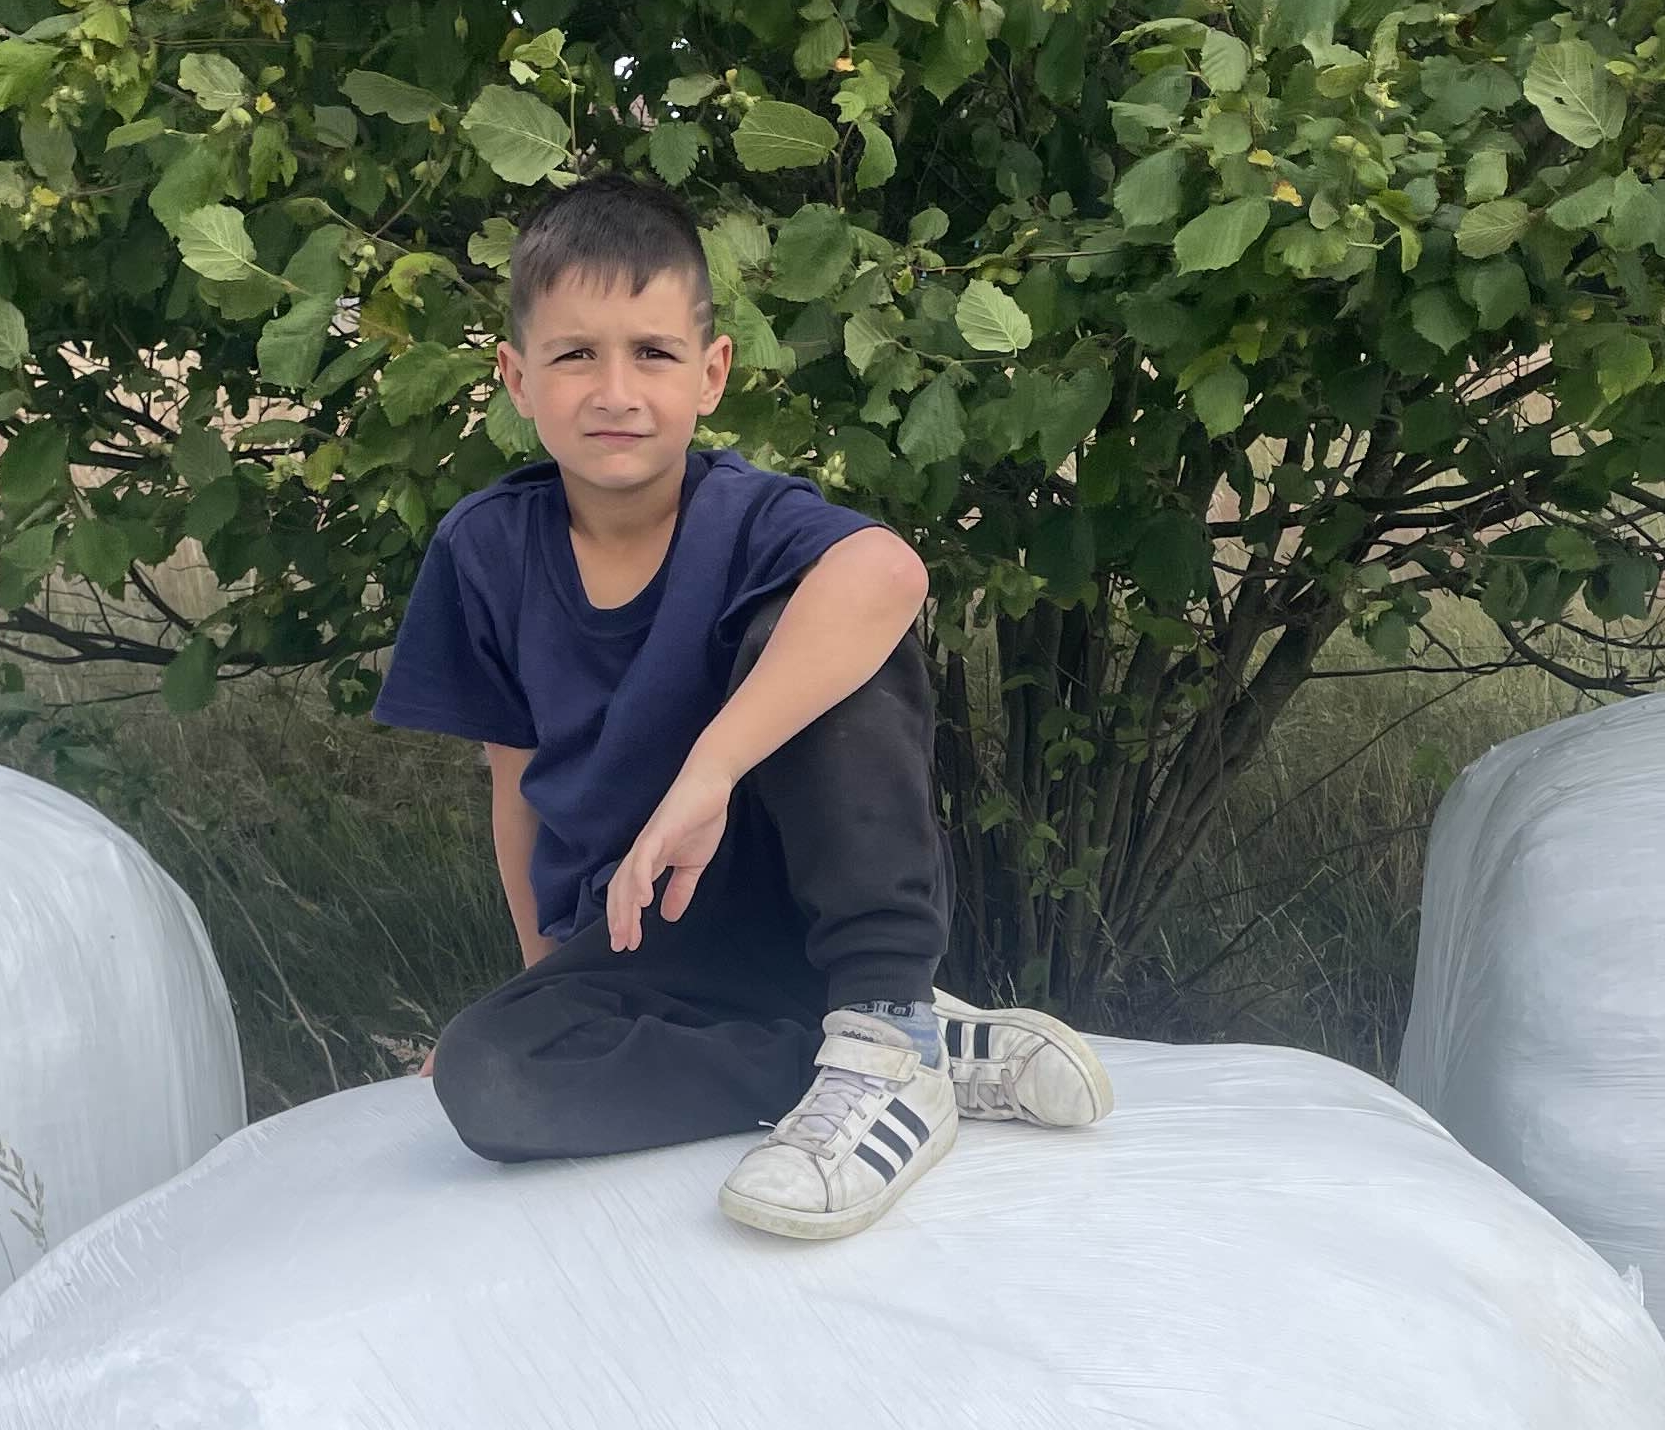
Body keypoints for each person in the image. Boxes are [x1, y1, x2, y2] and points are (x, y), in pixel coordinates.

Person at [375, 174, 1113, 1241]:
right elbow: (515, 785)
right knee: (488, 1080)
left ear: (712, 373)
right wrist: (544, 986)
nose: (615, 391)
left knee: (819, 631)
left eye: (653, 353)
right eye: (575, 355)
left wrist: (708, 775)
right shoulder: (483, 550)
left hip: (797, 904)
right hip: (641, 935)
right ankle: (887, 1051)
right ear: (517, 378)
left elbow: (889, 574)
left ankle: (882, 1009)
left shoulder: (748, 518)